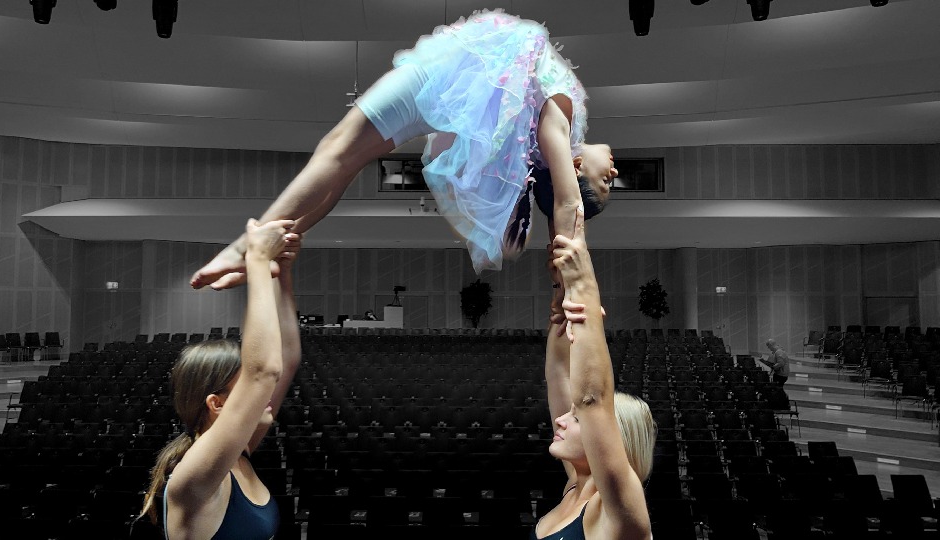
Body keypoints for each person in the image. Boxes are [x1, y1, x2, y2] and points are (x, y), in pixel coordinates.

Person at [190, 9, 618, 290]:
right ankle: (266, 248)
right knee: (346, 158)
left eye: (604, 181)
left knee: (339, 149)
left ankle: (248, 245)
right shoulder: (546, 144)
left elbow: (565, 205)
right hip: (445, 96)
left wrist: (574, 289)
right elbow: (563, 207)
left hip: (434, 82)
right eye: (610, 181)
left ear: (576, 164)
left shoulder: (558, 124)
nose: (615, 173)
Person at [137, 218, 301, 540]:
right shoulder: (195, 472)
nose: (266, 391)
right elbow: (264, 371)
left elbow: (288, 357)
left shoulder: (238, 451)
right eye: (244, 388)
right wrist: (255, 260)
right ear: (217, 403)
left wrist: (280, 274)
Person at [539, 208, 655, 540]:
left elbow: (592, 400)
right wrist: (562, 296)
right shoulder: (575, 486)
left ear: (609, 439)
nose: (561, 420)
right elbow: (559, 373)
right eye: (571, 418)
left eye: (574, 420)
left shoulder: (617, 506)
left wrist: (584, 286)